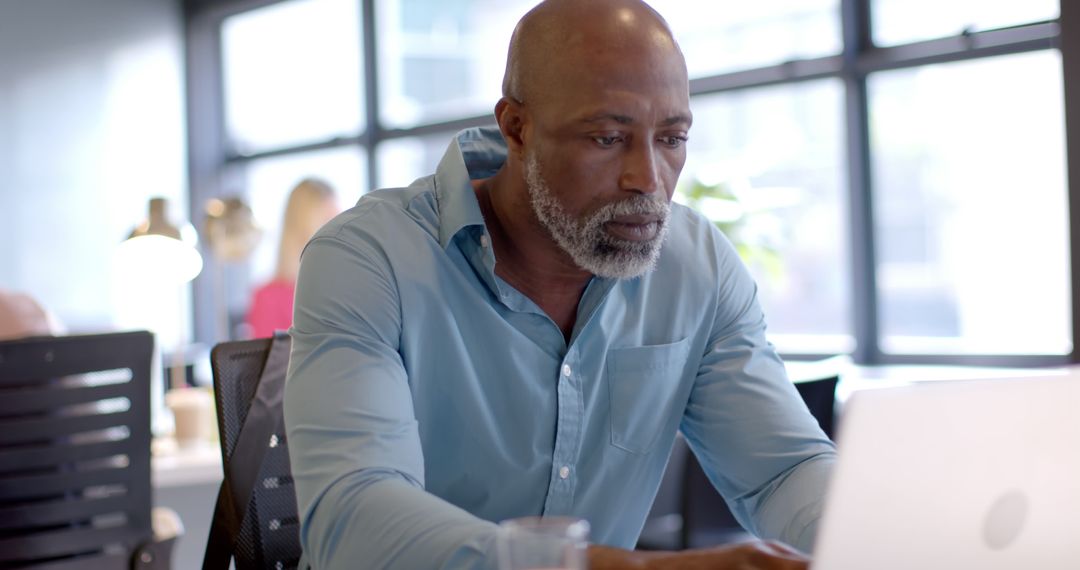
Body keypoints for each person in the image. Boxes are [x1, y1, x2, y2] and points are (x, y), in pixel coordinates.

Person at [284, 1, 836, 568]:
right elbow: (352, 520)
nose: (647, 179)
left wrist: (875, 538)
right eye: (606, 138)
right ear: (517, 127)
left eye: (671, 139)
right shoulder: (368, 259)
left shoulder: (696, 267)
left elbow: (782, 473)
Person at [245, 178, 338, 338]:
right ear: (302, 228)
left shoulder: (344, 288)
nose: (338, 233)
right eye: (326, 221)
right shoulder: (269, 298)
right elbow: (273, 361)